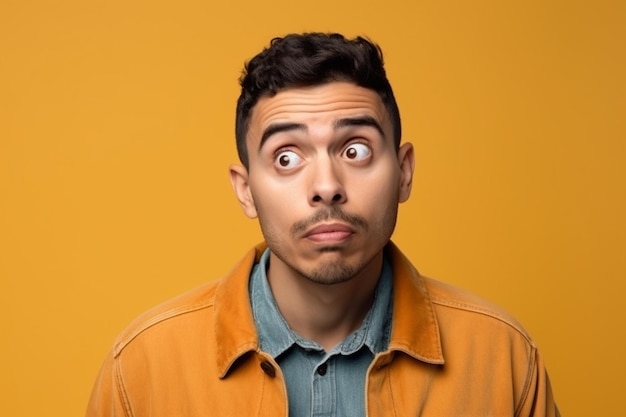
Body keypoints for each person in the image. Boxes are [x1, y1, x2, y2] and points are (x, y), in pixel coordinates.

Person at [86, 32, 560, 417]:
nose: (327, 186)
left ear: (404, 172)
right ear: (246, 189)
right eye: (287, 157)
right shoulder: (144, 367)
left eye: (355, 150)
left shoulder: (502, 359)